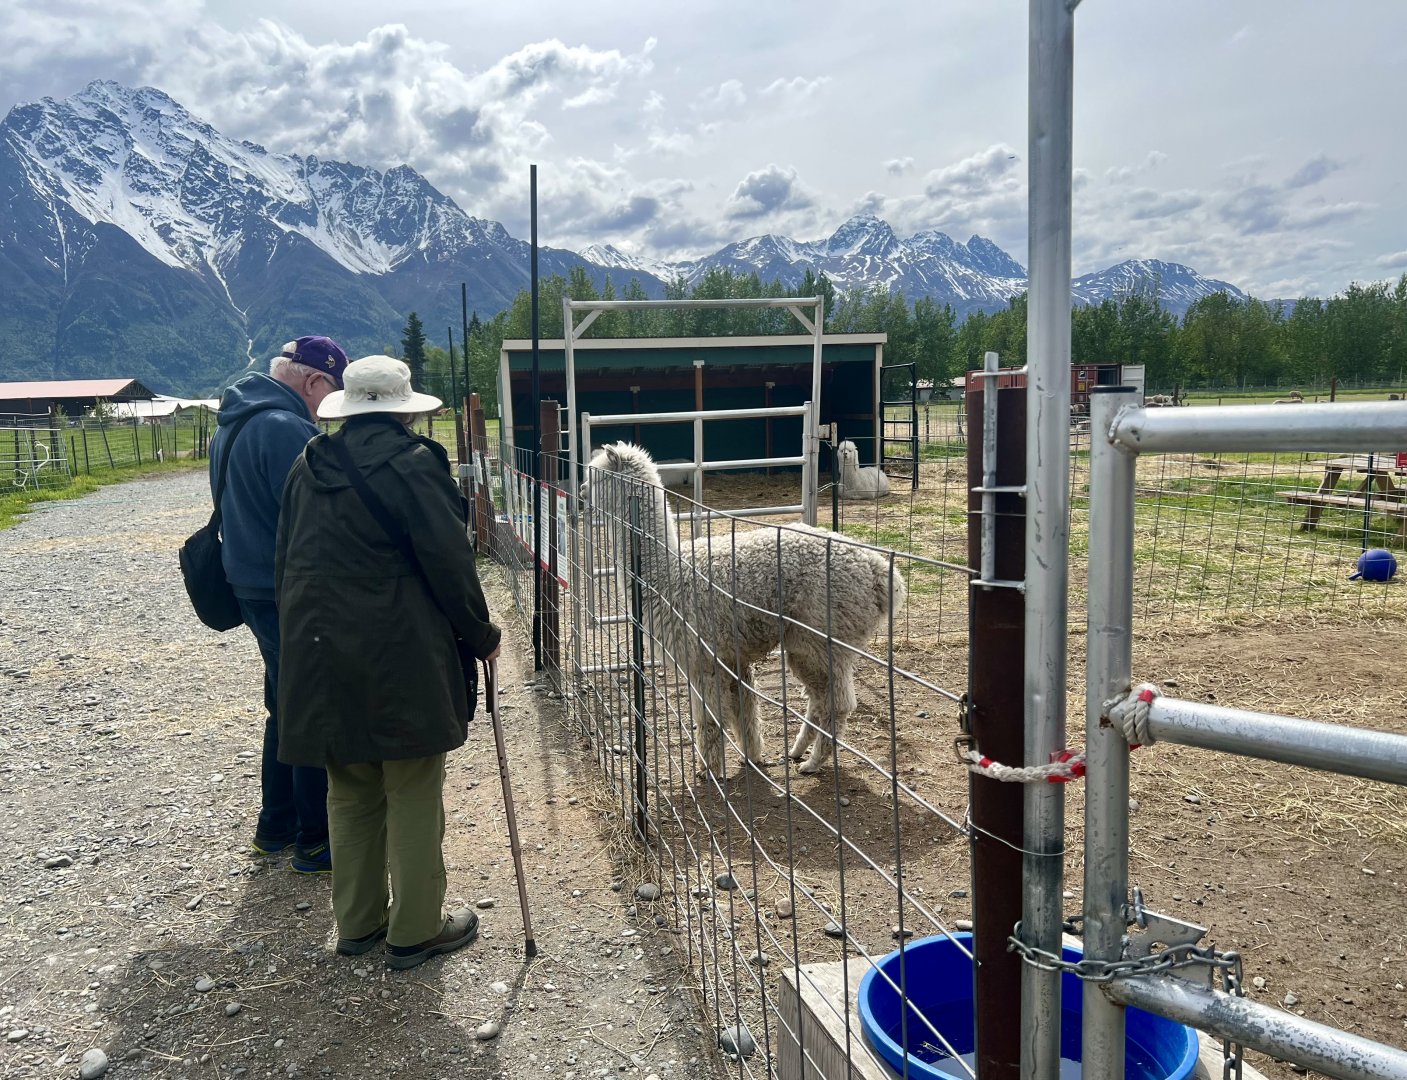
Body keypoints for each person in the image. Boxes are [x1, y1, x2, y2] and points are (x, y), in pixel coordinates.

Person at [274, 355, 502, 970]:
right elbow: (449, 564)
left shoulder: (308, 464)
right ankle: (417, 929)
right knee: (411, 785)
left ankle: (357, 922)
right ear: (405, 410)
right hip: (400, 653)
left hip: (320, 653)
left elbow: (285, 562)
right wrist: (481, 635)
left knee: (349, 788)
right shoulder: (414, 464)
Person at [209, 336, 348, 873]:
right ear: (314, 380)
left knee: (285, 702)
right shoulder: (286, 428)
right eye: (333, 391)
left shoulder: (237, 419)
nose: (332, 406)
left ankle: (277, 824)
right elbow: (320, 516)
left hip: (249, 581)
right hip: (286, 586)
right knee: (312, 706)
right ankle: (316, 838)